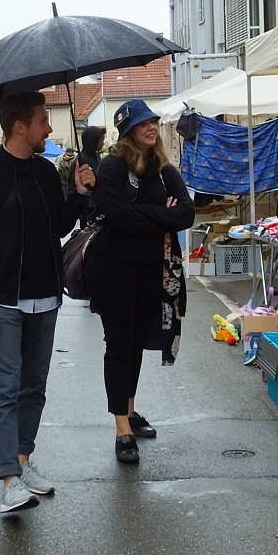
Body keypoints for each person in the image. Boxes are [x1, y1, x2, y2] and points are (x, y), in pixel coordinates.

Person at [0, 91, 95, 514]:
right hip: (3, 302)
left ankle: (23, 460)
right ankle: (9, 482)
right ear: (20, 126)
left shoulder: (44, 171)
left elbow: (58, 224)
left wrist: (79, 192)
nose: (48, 129)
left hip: (46, 298)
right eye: (42, 122)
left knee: (33, 388)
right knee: (5, 391)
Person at [86, 100, 194, 464]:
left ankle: (129, 410)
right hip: (113, 269)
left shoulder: (163, 168)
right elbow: (118, 217)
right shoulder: (112, 166)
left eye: (154, 121)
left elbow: (187, 213)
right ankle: (121, 429)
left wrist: (151, 215)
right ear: (127, 129)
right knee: (119, 345)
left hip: (151, 269)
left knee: (135, 344)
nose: (152, 127)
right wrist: (161, 214)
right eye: (144, 122)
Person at [75, 126, 106, 225]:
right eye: (102, 140)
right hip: (88, 211)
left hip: (99, 207)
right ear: (94, 141)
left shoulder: (96, 156)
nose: (103, 143)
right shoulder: (81, 161)